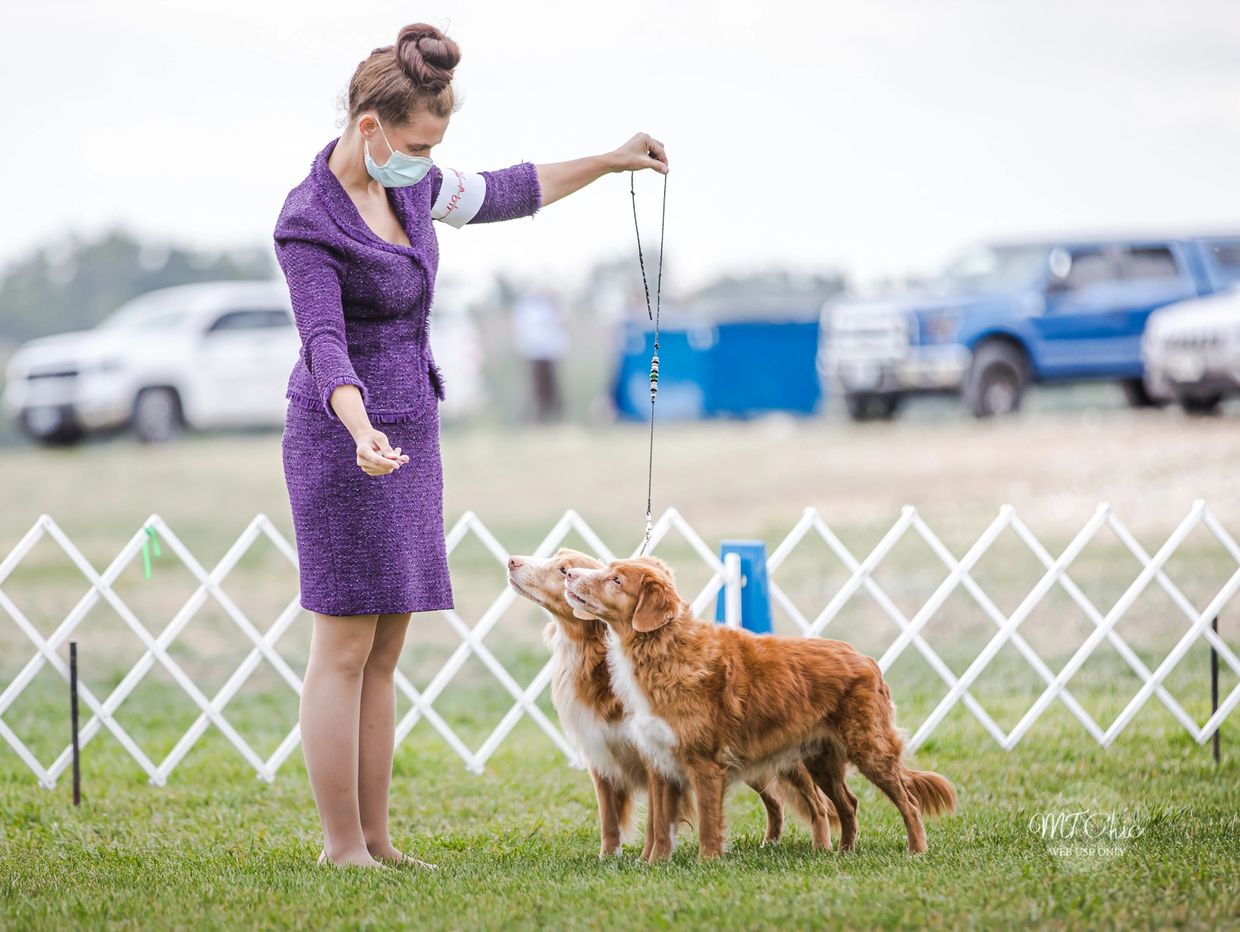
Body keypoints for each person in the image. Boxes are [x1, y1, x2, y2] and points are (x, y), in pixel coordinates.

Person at [274, 22, 668, 870]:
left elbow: (504, 190)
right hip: (342, 441)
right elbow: (324, 342)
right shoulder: (307, 222)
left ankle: (380, 840)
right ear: (370, 126)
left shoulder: (410, 188)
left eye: (435, 148)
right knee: (342, 651)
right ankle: (342, 848)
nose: (426, 160)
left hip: (409, 432)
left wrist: (610, 160)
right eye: (418, 143)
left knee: (386, 652)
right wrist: (357, 427)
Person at [511, 287, 568, 422]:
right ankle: (538, 418)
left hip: (551, 352)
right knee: (537, 388)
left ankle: (555, 417)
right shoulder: (526, 308)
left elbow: (561, 325)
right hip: (534, 352)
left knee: (553, 388)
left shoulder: (553, 305)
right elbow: (523, 330)